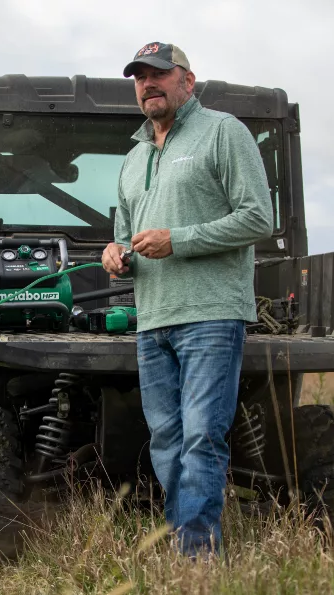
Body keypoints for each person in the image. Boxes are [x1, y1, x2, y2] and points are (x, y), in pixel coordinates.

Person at [102, 42, 273, 556]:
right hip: (152, 320)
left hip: (211, 315)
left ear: (188, 81)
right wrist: (115, 252)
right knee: (168, 443)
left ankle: (197, 558)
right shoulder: (132, 159)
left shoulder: (223, 132)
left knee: (202, 437)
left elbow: (258, 217)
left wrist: (179, 239)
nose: (147, 84)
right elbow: (125, 232)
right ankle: (188, 543)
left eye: (159, 74)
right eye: (139, 77)